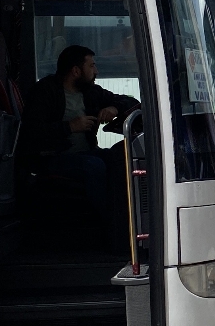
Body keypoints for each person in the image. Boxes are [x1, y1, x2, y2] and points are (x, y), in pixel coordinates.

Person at [22, 45, 141, 241]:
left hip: (87, 152)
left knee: (120, 156)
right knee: (93, 166)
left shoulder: (91, 92)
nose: (96, 71)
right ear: (76, 71)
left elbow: (131, 102)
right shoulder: (44, 91)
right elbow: (31, 132)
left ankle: (128, 220)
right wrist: (69, 127)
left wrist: (114, 107)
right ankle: (113, 228)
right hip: (51, 157)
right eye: (92, 66)